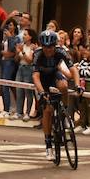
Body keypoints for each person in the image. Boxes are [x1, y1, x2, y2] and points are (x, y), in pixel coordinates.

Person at [30, 29, 74, 162]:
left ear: (55, 45)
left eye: (50, 47)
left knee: (64, 86)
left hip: (54, 74)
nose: (48, 50)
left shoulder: (61, 51)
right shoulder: (37, 54)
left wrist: (78, 84)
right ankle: (48, 146)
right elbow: (35, 76)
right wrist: (42, 92)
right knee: (48, 110)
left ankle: (64, 112)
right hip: (42, 80)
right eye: (45, 47)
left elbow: (73, 71)